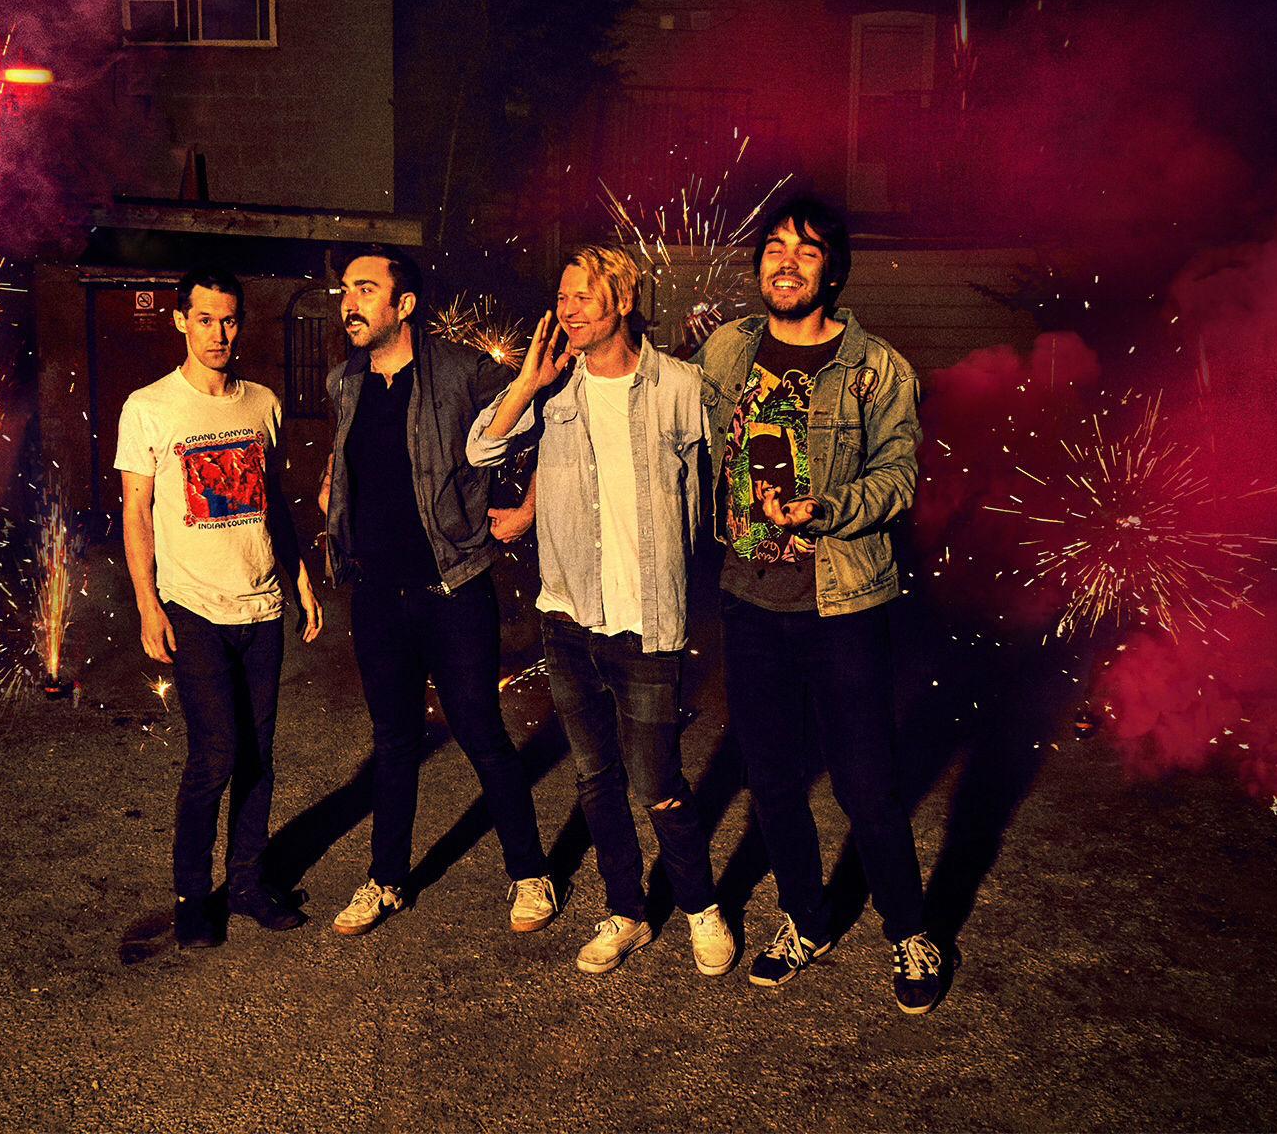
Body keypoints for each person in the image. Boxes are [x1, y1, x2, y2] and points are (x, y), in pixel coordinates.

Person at [693, 195, 943, 1013]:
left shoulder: (877, 369)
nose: (787, 262)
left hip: (843, 603)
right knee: (770, 780)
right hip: (747, 599)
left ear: (832, 270)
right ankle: (807, 920)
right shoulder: (727, 349)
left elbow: (900, 477)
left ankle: (909, 929)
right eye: (774, 247)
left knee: (865, 784)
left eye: (806, 251)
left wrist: (825, 508)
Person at [467, 246, 735, 976]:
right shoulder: (554, 389)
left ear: (621, 299)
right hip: (568, 614)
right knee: (595, 778)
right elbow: (482, 447)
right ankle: (626, 912)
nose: (568, 309)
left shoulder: (679, 386)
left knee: (657, 781)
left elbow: (723, 469)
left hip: (648, 618)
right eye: (562, 296)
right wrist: (528, 381)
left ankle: (701, 907)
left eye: (583, 296)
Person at [317, 244, 556, 936]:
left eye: (366, 289)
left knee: (481, 730)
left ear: (405, 304)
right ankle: (386, 880)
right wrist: (334, 493)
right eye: (346, 290)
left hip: (453, 586)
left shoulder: (460, 370)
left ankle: (530, 873)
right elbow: (351, 456)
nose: (349, 303)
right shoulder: (343, 381)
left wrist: (530, 508)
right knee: (393, 740)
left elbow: (549, 421)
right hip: (375, 592)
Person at [116, 264, 323, 948]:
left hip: (261, 607)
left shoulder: (262, 403)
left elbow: (273, 499)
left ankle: (246, 884)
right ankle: (191, 897)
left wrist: (299, 579)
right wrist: (147, 604)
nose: (218, 333)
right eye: (204, 319)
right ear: (181, 320)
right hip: (194, 607)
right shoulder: (149, 406)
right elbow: (137, 513)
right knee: (216, 753)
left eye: (229, 320)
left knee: (259, 755)